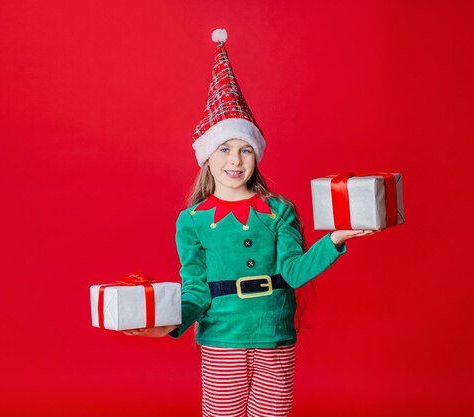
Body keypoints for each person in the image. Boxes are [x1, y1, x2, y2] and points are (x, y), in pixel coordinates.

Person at [124, 29, 376, 417]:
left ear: (256, 156)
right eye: (224, 149)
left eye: (245, 150)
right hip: (222, 338)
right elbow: (195, 289)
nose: (235, 160)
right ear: (207, 157)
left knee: (271, 413)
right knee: (223, 412)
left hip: (274, 334)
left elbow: (293, 272)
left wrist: (335, 239)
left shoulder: (279, 210)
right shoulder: (191, 221)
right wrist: (168, 327)